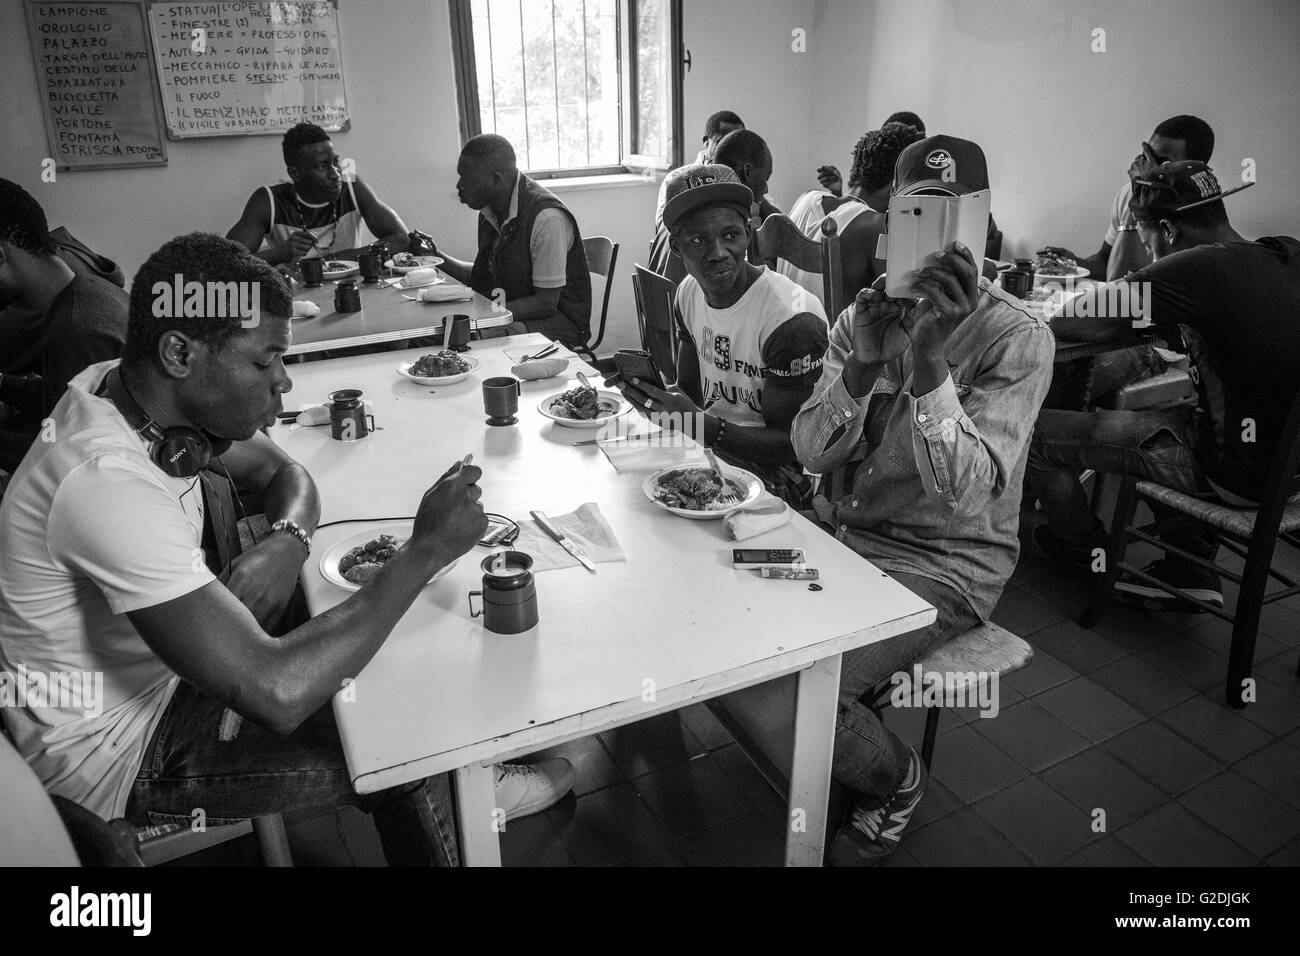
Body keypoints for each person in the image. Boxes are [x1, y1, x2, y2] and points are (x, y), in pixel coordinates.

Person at [0, 233, 574, 866]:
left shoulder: (133, 399)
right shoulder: (102, 481)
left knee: (387, 649)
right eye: (264, 361)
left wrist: (288, 539)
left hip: (169, 670)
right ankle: (467, 790)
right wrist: (425, 550)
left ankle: (465, 776)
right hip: (124, 748)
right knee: (398, 731)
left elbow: (285, 476)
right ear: (178, 353)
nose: (282, 382)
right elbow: (277, 691)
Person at [790, 136, 1055, 865]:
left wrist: (932, 362)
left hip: (948, 562)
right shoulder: (864, 320)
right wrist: (864, 369)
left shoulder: (1018, 337)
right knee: (749, 639)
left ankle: (893, 780)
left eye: (952, 215)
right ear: (887, 217)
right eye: (915, 213)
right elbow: (811, 451)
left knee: (812, 685)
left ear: (983, 223)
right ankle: (818, 751)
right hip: (849, 531)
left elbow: (968, 498)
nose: (933, 237)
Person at [1028, 160, 1300, 611]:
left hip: (1235, 474)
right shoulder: (1284, 252)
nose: (1149, 247)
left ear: (1169, 231)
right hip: (1288, 470)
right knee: (1169, 417)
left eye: (1146, 234)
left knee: (1035, 436)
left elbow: (1072, 320)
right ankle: (1191, 564)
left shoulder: (1200, 268)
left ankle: (1091, 554)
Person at [620, 165, 829, 503]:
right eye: (699, 240)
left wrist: (697, 424)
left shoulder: (790, 322)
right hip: (710, 445)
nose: (718, 252)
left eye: (730, 235)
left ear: (748, 233)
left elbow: (791, 447)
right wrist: (657, 400)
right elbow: (691, 395)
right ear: (676, 246)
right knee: (626, 488)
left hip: (781, 476)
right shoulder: (688, 293)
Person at [0, 180, 128, 474]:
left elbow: (62, 458)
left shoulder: (80, 331)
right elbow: (67, 400)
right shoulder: (89, 289)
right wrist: (5, 385)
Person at [429, 134, 592, 348]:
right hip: (511, 312)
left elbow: (545, 304)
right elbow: (480, 277)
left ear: (496, 179)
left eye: (467, 178)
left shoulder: (546, 218)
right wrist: (435, 257)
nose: (459, 186)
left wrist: (480, 313)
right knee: (437, 331)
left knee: (463, 341)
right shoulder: (490, 211)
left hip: (558, 323)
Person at [1039, 115, 1215, 282]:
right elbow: (1107, 261)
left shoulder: (1200, 211)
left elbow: (1117, 279)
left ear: (1192, 169)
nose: (1145, 164)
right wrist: (1073, 265)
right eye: (1146, 155)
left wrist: (1140, 193)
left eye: (1160, 160)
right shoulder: (1127, 194)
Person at [780, 122, 924, 311]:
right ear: (898, 182)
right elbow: (908, 304)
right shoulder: (875, 226)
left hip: (785, 332)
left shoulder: (806, 199)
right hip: (833, 340)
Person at [226, 122, 411, 266]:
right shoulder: (269, 201)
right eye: (322, 166)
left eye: (335, 162)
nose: (335, 173)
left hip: (351, 289)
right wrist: (279, 254)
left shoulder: (352, 188)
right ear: (295, 173)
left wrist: (335, 259)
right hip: (297, 299)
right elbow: (226, 261)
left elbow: (401, 239)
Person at [649, 130, 778, 287]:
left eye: (730, 235)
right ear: (747, 171)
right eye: (766, 178)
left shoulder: (682, 184)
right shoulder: (690, 290)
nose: (718, 253)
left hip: (662, 297)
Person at [653, 110, 745, 226]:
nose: (731, 150)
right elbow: (664, 229)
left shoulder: (745, 177)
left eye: (737, 144)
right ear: (706, 142)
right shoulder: (676, 179)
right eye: (721, 142)